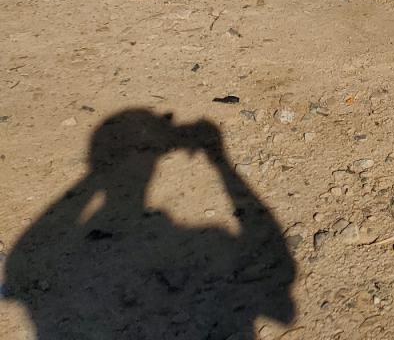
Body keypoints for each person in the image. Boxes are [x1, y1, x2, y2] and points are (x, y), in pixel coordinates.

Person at [4, 109, 295, 339]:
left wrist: (96, 176)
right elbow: (277, 260)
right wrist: (220, 161)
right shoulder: (217, 243)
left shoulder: (30, 264)